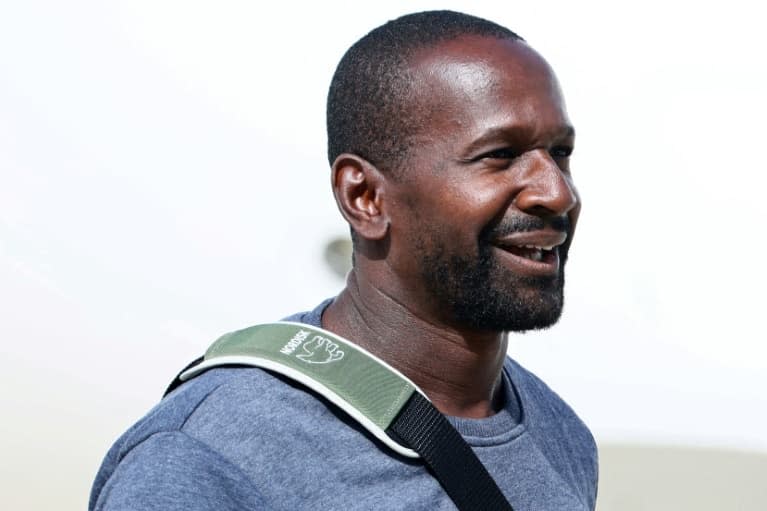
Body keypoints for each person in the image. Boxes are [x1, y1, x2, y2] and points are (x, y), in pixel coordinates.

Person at [89, 10, 597, 511]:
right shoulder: (209, 459)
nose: (557, 193)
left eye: (561, 152)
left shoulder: (560, 434)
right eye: (499, 155)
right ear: (365, 198)